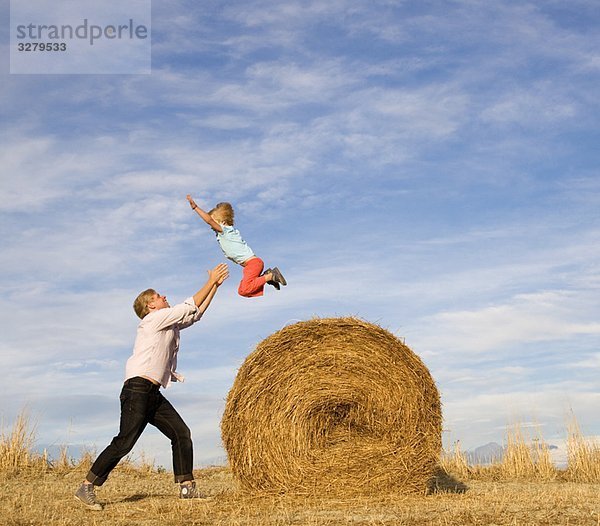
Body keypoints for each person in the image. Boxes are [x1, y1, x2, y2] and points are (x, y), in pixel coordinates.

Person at [74, 263, 229, 511]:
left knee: (181, 433)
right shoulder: (153, 320)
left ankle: (187, 487)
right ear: (150, 306)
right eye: (159, 296)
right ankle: (86, 486)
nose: (164, 297)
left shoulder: (167, 323)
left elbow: (195, 314)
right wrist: (210, 281)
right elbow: (188, 306)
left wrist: (215, 287)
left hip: (152, 392)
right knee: (125, 442)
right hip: (137, 389)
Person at [186, 195, 286, 298]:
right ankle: (268, 276)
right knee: (243, 290)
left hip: (253, 264)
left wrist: (195, 208)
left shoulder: (225, 231)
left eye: (214, 223)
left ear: (223, 222)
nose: (212, 227)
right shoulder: (226, 233)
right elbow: (210, 221)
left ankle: (270, 276)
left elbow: (208, 220)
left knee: (244, 290)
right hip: (252, 264)